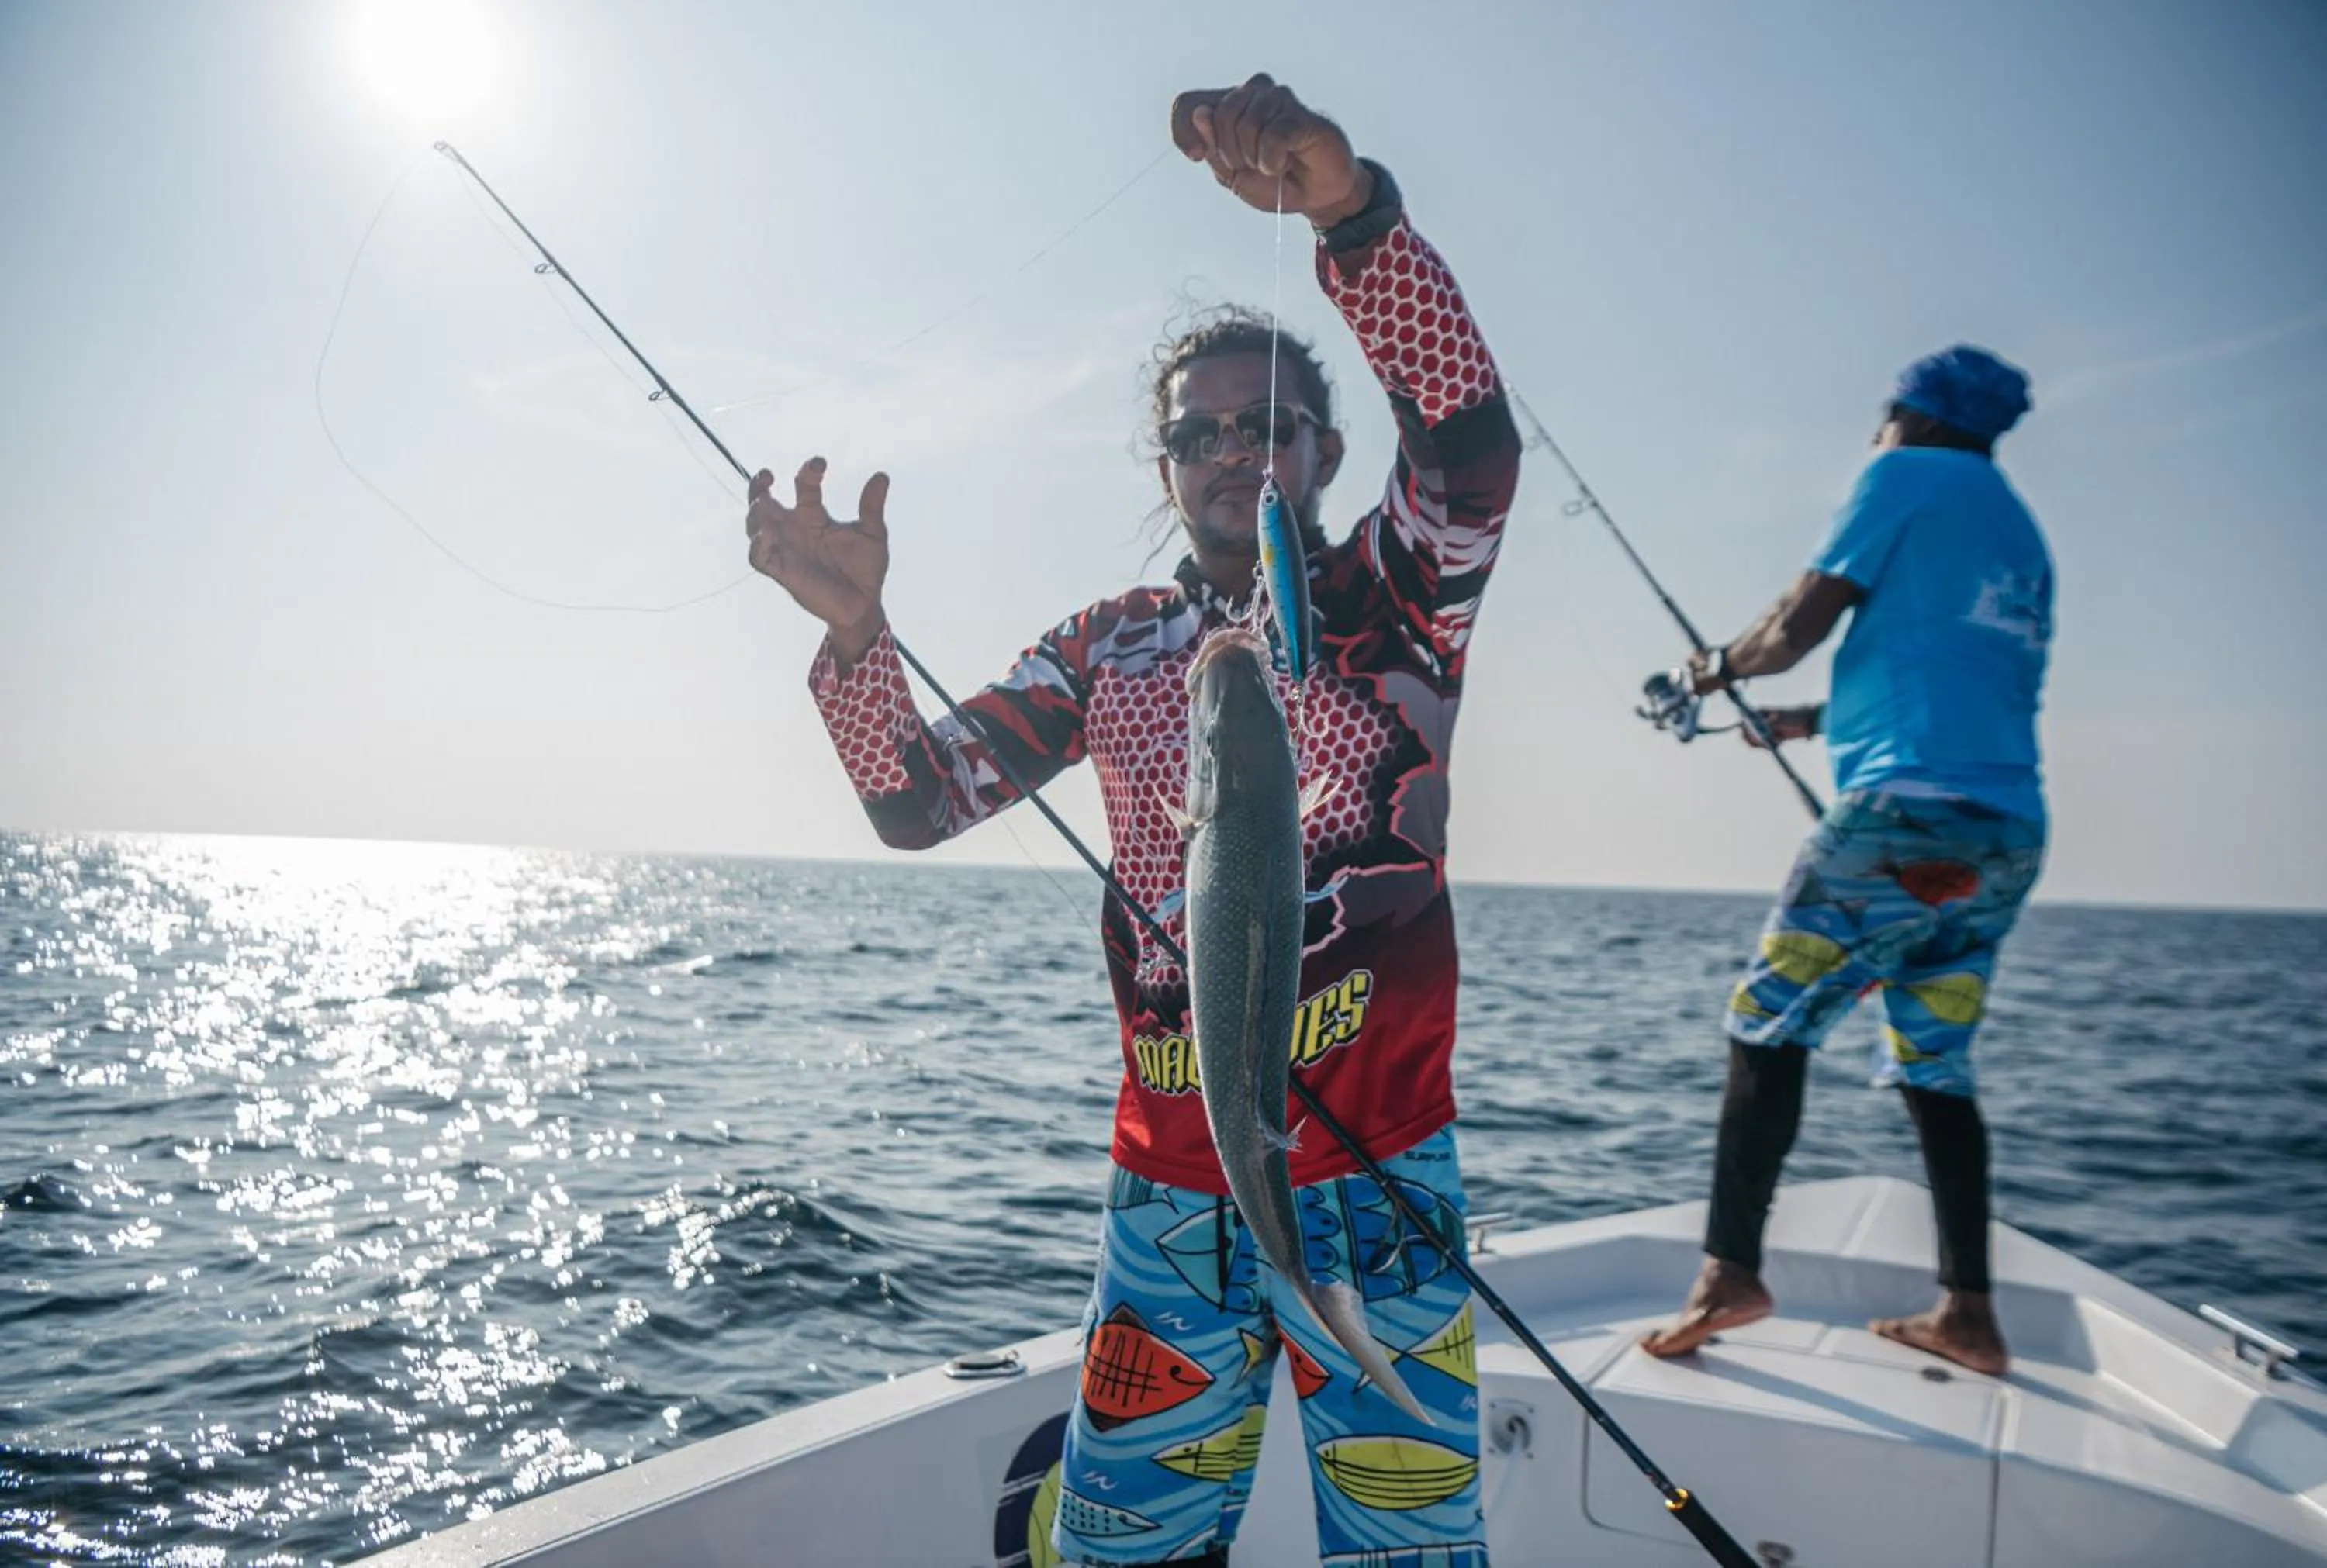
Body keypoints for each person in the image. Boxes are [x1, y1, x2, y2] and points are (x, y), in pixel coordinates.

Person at [745, 76, 1519, 1568]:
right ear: (1165, 465)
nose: (1238, 450)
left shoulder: (1391, 598)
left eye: (1267, 427)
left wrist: (1353, 219)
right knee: (1116, 1555)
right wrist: (859, 641)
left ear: (1323, 456)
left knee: (1414, 1554)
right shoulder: (1105, 649)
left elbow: (1473, 453)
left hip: (1388, 1186)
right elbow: (917, 800)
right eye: (1201, 431)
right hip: (1168, 1194)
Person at [1640, 346, 2052, 1377]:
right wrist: (1805, 723)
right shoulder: (2021, 532)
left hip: (1897, 824)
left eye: (1883, 415)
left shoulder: (1903, 474)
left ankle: (1727, 1272)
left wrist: (1716, 668)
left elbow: (1794, 623)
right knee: (1934, 1058)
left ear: (1910, 414)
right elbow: (1955, 683)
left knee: (1763, 1019)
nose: (1873, 435)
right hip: (2001, 833)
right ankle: (1969, 1310)